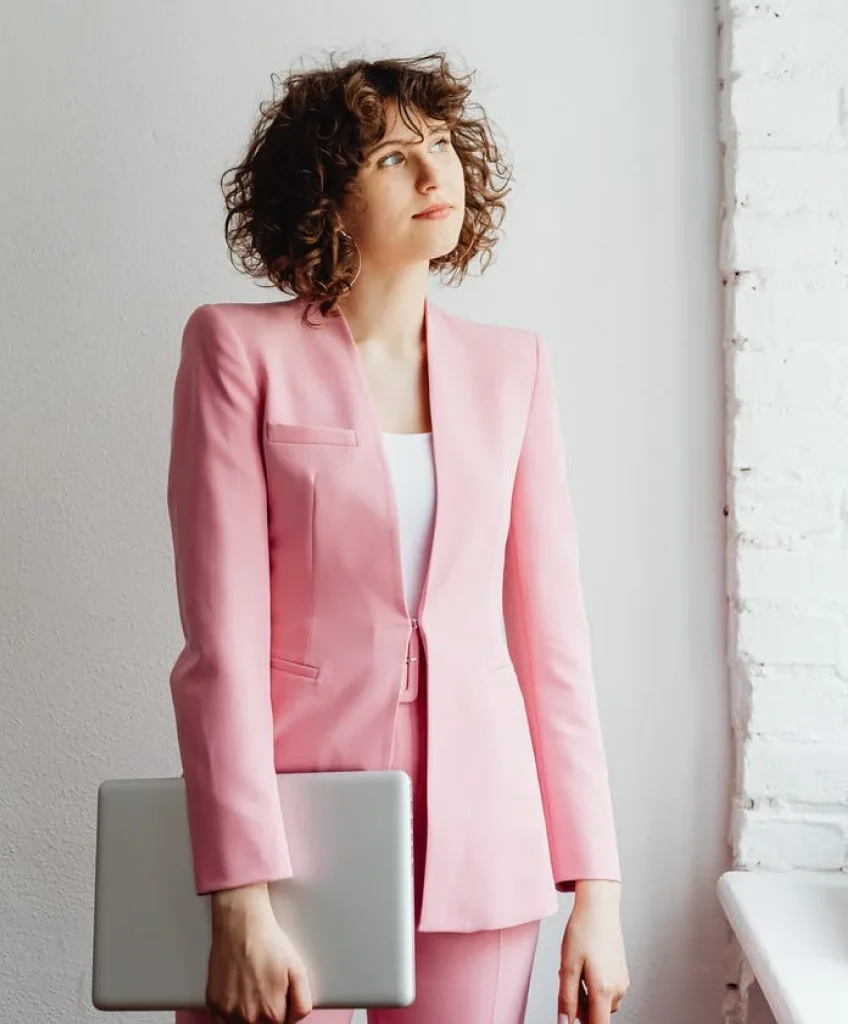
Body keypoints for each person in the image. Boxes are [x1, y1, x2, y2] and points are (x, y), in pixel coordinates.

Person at [166, 50, 629, 1024]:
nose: (433, 173)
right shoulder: (236, 350)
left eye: (442, 146)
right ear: (324, 195)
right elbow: (221, 646)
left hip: (484, 845)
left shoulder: (513, 368)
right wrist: (238, 892)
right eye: (389, 158)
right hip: (292, 833)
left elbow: (553, 645)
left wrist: (596, 889)